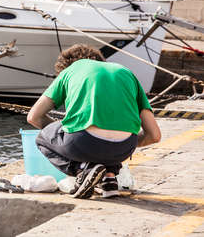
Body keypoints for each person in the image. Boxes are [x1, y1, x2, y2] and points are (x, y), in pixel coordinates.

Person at [27, 44, 161, 199]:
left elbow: (34, 117)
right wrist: (118, 141)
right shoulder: (126, 73)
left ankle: (81, 169)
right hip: (124, 149)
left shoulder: (71, 70)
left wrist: (65, 134)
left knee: (42, 138)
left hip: (82, 143)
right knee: (106, 142)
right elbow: (154, 135)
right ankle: (109, 177)